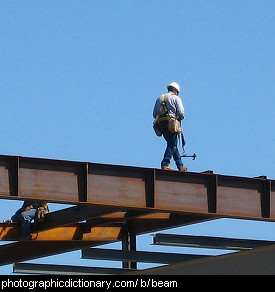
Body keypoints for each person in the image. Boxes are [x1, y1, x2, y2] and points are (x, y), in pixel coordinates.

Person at [153, 82, 187, 172]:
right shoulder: (176, 98)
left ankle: (180, 165)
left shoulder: (159, 99)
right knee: (171, 144)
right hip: (171, 123)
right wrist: (178, 119)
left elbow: (154, 114)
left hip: (161, 124)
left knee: (172, 144)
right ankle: (165, 163)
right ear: (176, 91)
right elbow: (181, 113)